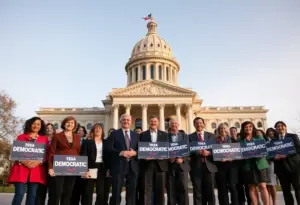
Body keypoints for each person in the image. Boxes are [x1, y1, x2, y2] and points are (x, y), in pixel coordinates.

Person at [8, 117, 48, 205]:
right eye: (34, 124)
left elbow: (46, 155)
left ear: (41, 127)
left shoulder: (44, 139)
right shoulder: (21, 137)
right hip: (21, 169)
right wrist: (24, 162)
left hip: (36, 170)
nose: (36, 126)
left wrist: (38, 162)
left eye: (38, 124)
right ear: (29, 125)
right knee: (19, 194)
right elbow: (15, 152)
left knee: (32, 195)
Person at [104, 114, 139, 205]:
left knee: (131, 193)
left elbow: (141, 149)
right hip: (118, 166)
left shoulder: (136, 135)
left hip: (133, 167)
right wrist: (121, 152)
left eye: (128, 120)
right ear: (120, 121)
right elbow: (108, 148)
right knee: (116, 192)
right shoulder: (114, 134)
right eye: (124, 120)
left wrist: (135, 153)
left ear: (131, 122)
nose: (126, 121)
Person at [48, 116, 81, 205]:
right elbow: (51, 153)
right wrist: (50, 167)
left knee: (68, 193)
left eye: (72, 123)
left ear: (74, 125)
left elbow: (78, 152)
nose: (70, 124)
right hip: (59, 167)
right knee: (57, 193)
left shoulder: (77, 137)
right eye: (68, 122)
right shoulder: (57, 136)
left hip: (72, 168)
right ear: (64, 123)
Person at [139, 116, 168, 205]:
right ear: (149, 123)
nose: (153, 123)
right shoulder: (143, 134)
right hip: (147, 165)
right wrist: (144, 156)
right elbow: (140, 148)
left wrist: (164, 155)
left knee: (160, 189)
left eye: (155, 121)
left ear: (158, 123)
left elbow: (168, 148)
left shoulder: (164, 134)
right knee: (147, 189)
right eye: (151, 121)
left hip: (160, 165)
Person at [189, 117, 217, 205]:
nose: (199, 125)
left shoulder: (211, 136)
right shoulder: (189, 137)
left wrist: (208, 153)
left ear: (204, 124)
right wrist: (197, 152)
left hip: (209, 167)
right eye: (196, 123)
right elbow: (187, 150)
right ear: (194, 125)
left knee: (210, 191)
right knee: (197, 191)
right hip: (196, 167)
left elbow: (216, 150)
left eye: (200, 123)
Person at [240, 121, 269, 205]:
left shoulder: (259, 138)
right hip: (248, 165)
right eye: (246, 127)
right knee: (251, 187)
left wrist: (262, 154)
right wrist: (242, 156)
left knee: (263, 186)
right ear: (243, 129)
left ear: (253, 128)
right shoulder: (241, 140)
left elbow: (266, 151)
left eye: (250, 126)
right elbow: (239, 153)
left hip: (260, 164)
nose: (248, 128)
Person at [273, 121, 300, 205]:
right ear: (276, 129)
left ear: (285, 127)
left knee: (298, 188)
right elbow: (270, 154)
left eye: (282, 126)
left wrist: (286, 155)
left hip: (294, 167)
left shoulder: (293, 136)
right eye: (278, 126)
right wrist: (274, 157)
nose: (280, 128)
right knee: (285, 190)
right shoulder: (273, 141)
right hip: (281, 169)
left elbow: (298, 149)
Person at [81, 123, 107, 205]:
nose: (98, 129)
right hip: (90, 167)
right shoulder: (87, 142)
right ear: (92, 131)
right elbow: (83, 155)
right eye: (96, 128)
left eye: (99, 128)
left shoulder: (106, 142)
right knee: (88, 191)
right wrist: (84, 169)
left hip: (102, 168)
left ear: (102, 131)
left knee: (101, 191)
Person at [166, 118, 190, 205]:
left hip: (182, 165)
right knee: (171, 189)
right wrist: (168, 157)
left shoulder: (185, 136)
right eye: (172, 124)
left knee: (183, 189)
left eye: (176, 124)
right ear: (169, 125)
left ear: (178, 125)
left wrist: (182, 158)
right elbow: (162, 150)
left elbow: (188, 149)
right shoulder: (165, 137)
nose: (174, 125)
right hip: (170, 165)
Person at [215, 123, 239, 205]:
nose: (223, 130)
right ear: (218, 130)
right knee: (222, 187)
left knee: (232, 186)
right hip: (220, 166)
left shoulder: (233, 140)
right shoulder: (215, 141)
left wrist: (232, 158)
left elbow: (238, 153)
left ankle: (235, 203)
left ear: (227, 130)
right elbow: (213, 154)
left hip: (232, 166)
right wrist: (220, 159)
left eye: (224, 128)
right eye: (221, 128)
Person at [35, 123, 56, 205]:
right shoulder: (40, 138)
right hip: (42, 166)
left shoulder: (56, 138)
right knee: (41, 190)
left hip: (53, 166)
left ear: (53, 129)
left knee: (53, 190)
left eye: (51, 128)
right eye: (47, 128)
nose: (49, 129)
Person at [71, 125, 88, 205]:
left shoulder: (87, 142)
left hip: (83, 167)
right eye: (79, 130)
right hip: (73, 167)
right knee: (74, 190)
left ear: (84, 133)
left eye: (82, 130)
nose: (80, 131)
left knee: (82, 188)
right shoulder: (71, 141)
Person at [264, 128, 277, 205]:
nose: (271, 133)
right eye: (269, 132)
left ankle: (274, 203)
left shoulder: (278, 141)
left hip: (272, 163)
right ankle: (268, 202)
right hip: (266, 164)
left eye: (272, 131)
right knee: (267, 185)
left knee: (272, 184)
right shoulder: (266, 142)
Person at [103, 128, 115, 205]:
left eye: (113, 132)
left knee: (115, 189)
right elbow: (105, 157)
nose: (112, 134)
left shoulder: (119, 142)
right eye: (110, 132)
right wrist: (107, 169)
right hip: (107, 168)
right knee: (106, 188)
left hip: (117, 169)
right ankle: (104, 202)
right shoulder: (105, 142)